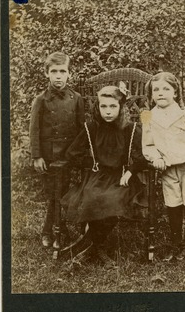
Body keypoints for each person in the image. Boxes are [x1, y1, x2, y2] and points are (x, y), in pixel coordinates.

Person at [60, 84, 148, 267]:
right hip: (97, 175)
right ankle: (97, 248)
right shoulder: (92, 127)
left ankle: (89, 248)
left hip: (122, 177)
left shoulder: (130, 129)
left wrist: (131, 171)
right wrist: (89, 164)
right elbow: (72, 153)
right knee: (92, 197)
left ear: (121, 107)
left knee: (113, 200)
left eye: (113, 106)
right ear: (97, 107)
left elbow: (142, 156)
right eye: (103, 106)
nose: (108, 111)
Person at [141, 72, 185, 260]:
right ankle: (176, 242)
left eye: (166, 89)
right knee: (172, 202)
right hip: (168, 166)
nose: (161, 93)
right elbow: (147, 143)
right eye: (156, 90)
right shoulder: (147, 116)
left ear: (176, 93)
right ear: (151, 94)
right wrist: (156, 158)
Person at [29, 52, 84, 248]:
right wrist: (37, 156)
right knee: (54, 194)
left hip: (68, 155)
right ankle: (51, 231)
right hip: (49, 156)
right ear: (47, 74)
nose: (58, 76)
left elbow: (81, 129)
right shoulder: (41, 100)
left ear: (70, 74)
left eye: (63, 71)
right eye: (54, 71)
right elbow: (34, 129)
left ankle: (58, 229)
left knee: (63, 193)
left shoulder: (76, 98)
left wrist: (79, 154)